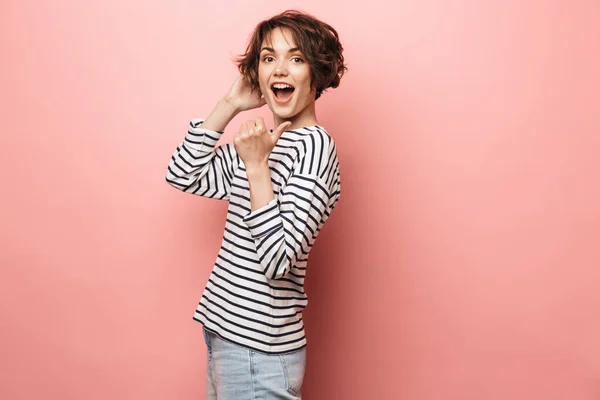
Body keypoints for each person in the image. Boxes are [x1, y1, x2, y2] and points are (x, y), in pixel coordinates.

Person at [165, 9, 347, 399]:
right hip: (222, 333)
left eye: (295, 59)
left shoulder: (315, 148)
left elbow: (277, 261)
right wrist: (229, 103)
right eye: (269, 58)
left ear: (317, 73)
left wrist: (257, 167)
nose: (280, 69)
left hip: (258, 351)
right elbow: (182, 173)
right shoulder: (261, 142)